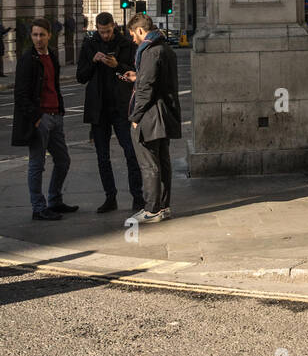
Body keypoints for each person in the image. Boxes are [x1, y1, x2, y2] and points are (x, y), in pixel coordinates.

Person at [77, 12, 144, 214]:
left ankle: (137, 196)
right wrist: (94, 61)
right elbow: (81, 76)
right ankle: (110, 196)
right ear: (97, 28)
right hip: (99, 109)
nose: (105, 35)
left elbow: (134, 73)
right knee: (102, 156)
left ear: (114, 26)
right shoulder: (90, 45)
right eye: (101, 31)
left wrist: (118, 66)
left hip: (120, 107)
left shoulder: (125, 44)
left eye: (108, 31)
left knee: (130, 152)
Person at [12, 19, 78, 222]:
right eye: (34, 35)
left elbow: (53, 86)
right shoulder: (27, 59)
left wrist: (60, 109)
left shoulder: (52, 56)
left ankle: (55, 200)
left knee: (63, 160)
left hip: (56, 116)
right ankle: (38, 208)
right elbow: (20, 95)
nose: (38, 39)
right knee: (37, 165)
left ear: (49, 35)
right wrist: (37, 118)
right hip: (40, 119)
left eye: (41, 35)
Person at [126, 13, 182, 225]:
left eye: (133, 34)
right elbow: (157, 81)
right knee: (163, 162)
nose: (133, 39)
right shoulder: (166, 49)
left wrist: (135, 117)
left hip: (150, 116)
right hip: (165, 114)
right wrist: (137, 77)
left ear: (140, 31)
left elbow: (146, 89)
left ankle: (151, 209)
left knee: (149, 164)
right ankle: (164, 206)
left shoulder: (149, 52)